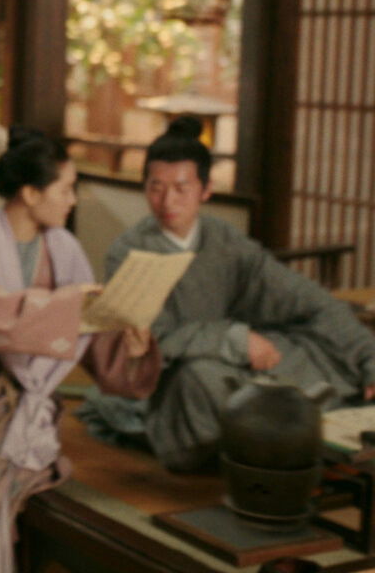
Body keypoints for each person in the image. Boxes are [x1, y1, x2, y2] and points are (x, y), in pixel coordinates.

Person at [0, 128, 160, 573]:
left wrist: (129, 342)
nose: (72, 200)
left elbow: (90, 336)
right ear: (32, 193)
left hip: (23, 395)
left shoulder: (65, 249)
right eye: (66, 189)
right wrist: (67, 306)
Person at [85, 116, 375, 472]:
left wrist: (369, 360)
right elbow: (157, 339)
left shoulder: (225, 241)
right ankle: (264, 447)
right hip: (171, 374)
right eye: (156, 187)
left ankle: (296, 437)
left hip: (235, 363)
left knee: (312, 347)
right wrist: (233, 339)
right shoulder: (128, 250)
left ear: (205, 190)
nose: (167, 200)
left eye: (181, 188)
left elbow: (312, 302)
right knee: (198, 378)